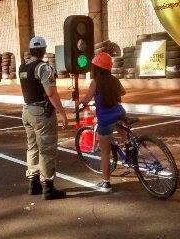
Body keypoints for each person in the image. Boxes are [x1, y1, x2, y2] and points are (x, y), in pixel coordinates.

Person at [19, 36, 68, 200]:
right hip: (41, 112)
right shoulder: (43, 68)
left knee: (32, 147)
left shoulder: (23, 67)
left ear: (31, 50)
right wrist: (62, 113)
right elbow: (51, 93)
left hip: (26, 110)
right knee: (47, 149)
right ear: (44, 50)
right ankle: (48, 187)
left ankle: (34, 183)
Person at [77, 52, 126, 193]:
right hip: (120, 113)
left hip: (106, 119)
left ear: (96, 68)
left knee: (105, 152)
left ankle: (106, 182)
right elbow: (123, 92)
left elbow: (86, 100)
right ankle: (132, 155)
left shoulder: (96, 83)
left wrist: (79, 105)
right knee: (127, 139)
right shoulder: (114, 80)